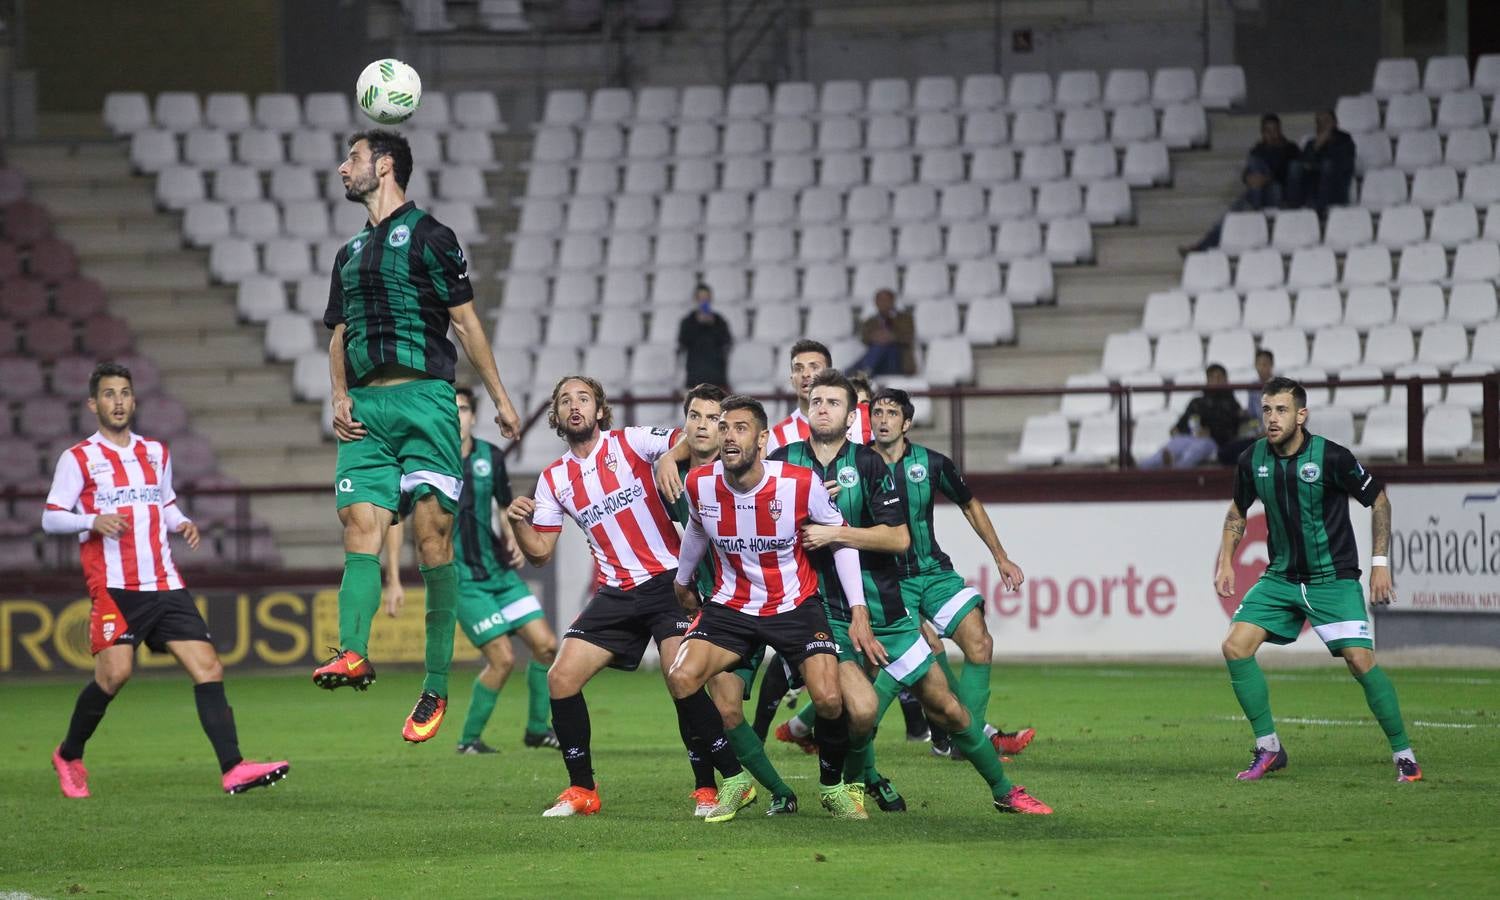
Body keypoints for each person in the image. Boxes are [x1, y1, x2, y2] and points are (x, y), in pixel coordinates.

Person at [314, 129, 523, 746]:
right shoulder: (348, 253)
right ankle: (352, 652)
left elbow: (464, 322)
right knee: (358, 523)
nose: (341, 167)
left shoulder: (432, 236)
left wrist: (500, 399)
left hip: (426, 401)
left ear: (383, 165)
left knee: (432, 540)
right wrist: (338, 395)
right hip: (365, 409)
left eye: (351, 157)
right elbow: (338, 334)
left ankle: (435, 685)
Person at [772, 370, 1052, 816]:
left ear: (850, 416)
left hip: (887, 609)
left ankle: (1004, 792)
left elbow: (898, 538)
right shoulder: (782, 463)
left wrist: (836, 531)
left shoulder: (868, 466)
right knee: (861, 711)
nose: (822, 407)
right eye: (816, 400)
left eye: (833, 402)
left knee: (950, 713)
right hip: (827, 613)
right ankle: (853, 783)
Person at [44, 363, 289, 798]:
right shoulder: (79, 458)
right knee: (115, 675)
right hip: (116, 587)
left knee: (209, 666)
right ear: (93, 403)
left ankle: (233, 768)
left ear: (134, 401)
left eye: (124, 393)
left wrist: (182, 522)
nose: (117, 401)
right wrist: (93, 520)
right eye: (108, 394)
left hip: (165, 582)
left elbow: (165, 501)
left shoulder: (156, 452)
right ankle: (68, 753)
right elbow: (51, 517)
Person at [507, 375, 746, 817]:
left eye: (583, 398)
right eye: (564, 401)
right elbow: (539, 553)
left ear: (600, 410)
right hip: (616, 592)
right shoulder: (553, 479)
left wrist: (669, 461)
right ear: (557, 417)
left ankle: (712, 787)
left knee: (682, 680)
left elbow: (686, 437)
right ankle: (583, 791)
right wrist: (518, 522)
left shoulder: (630, 442)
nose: (574, 406)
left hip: (667, 581)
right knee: (560, 679)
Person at [666, 394, 875, 820]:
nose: (728, 436)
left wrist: (858, 608)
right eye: (724, 427)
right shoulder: (700, 485)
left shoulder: (799, 483)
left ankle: (833, 787)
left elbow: (840, 537)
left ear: (762, 439)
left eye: (739, 428)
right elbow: (696, 529)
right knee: (682, 677)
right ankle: (735, 780)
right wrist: (683, 579)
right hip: (731, 606)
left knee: (831, 699)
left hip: (795, 605)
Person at [1216, 376, 1419, 783]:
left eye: (1282, 410)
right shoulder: (1252, 459)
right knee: (1235, 647)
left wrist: (1380, 562)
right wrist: (1226, 561)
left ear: (1301, 415)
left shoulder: (1332, 458)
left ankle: (1405, 755)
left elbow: (1378, 499)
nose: (1273, 419)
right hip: (1281, 578)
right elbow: (1238, 511)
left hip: (1333, 579)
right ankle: (1269, 747)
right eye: (1268, 409)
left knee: (1360, 661)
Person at [381, 387, 560, 754]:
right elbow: (395, 521)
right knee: (503, 659)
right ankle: (468, 740)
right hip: (461, 581)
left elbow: (504, 504)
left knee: (546, 646)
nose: (457, 414)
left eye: (463, 408)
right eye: (451, 408)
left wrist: (513, 536)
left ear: (474, 416)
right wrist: (393, 579)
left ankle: (537, 730)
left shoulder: (489, 457)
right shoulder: (421, 461)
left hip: (499, 573)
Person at [868, 387, 1038, 761]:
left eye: (891, 413)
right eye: (876, 412)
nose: (882, 419)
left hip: (933, 572)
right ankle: (852, 748)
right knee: (905, 662)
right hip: (888, 581)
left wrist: (1001, 557)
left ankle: (969, 739)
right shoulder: (857, 466)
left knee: (980, 642)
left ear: (906, 422)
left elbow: (970, 504)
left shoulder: (932, 464)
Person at [662, 384, 801, 816]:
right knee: (722, 709)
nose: (706, 427)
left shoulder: (755, 471)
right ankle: (772, 790)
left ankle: (853, 777)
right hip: (713, 606)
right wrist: (669, 454)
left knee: (834, 694)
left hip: (763, 603)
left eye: (715, 420)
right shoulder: (681, 475)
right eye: (697, 418)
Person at [1185, 113, 1301, 252]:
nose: (1272, 134)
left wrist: (1266, 179)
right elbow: (1247, 173)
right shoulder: (1258, 149)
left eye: (1275, 130)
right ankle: (1202, 246)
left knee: (1262, 176)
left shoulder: (1290, 149)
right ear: (1262, 132)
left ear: (1280, 130)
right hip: (1257, 191)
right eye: (1268, 131)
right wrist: (1248, 178)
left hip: (1278, 194)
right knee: (1228, 217)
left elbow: (1287, 174)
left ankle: (1254, 206)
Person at [764, 339, 871, 456]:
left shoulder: (866, 415)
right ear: (792, 379)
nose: (805, 374)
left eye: (814, 367)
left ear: (829, 374)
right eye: (798, 368)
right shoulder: (778, 436)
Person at [1139, 364, 1255, 469]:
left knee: (1195, 449)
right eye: (1212, 378)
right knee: (1172, 445)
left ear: (1226, 380)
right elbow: (1181, 424)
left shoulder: (1232, 405)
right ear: (1207, 380)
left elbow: (1232, 432)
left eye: (1219, 377)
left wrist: (1210, 433)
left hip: (1213, 443)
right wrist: (1177, 430)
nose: (1216, 381)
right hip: (1191, 437)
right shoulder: (1196, 402)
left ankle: (1175, 471)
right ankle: (1140, 470)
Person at [1286, 109, 1356, 214]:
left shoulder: (1345, 140)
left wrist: (1315, 165)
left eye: (1326, 121)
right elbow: (1303, 163)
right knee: (1294, 166)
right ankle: (1292, 208)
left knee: (1327, 165)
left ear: (1335, 123)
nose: (1322, 125)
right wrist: (1317, 146)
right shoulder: (1311, 144)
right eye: (1319, 122)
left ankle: (1320, 211)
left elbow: (1341, 165)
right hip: (1311, 188)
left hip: (1335, 190)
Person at [1218, 349, 1276, 465]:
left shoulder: (1281, 386)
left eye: (1265, 364)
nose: (1261, 368)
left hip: (1274, 435)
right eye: (1258, 364)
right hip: (1255, 434)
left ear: (1271, 365)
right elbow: (1252, 415)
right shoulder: (1252, 386)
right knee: (1225, 453)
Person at [676, 283, 733, 391]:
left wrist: (712, 324)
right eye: (701, 298)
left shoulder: (719, 320)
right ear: (696, 300)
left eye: (706, 298)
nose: (704, 302)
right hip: (695, 377)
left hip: (717, 376)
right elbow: (683, 342)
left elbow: (727, 341)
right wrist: (698, 324)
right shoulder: (688, 321)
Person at [853, 288, 916, 377]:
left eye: (886, 300)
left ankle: (861, 371)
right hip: (879, 364)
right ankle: (865, 371)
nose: (883, 303)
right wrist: (874, 337)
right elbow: (865, 339)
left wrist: (892, 337)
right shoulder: (870, 322)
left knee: (882, 346)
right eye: (880, 300)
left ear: (893, 301)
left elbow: (908, 337)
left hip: (899, 363)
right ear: (876, 303)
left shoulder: (905, 318)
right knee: (879, 346)